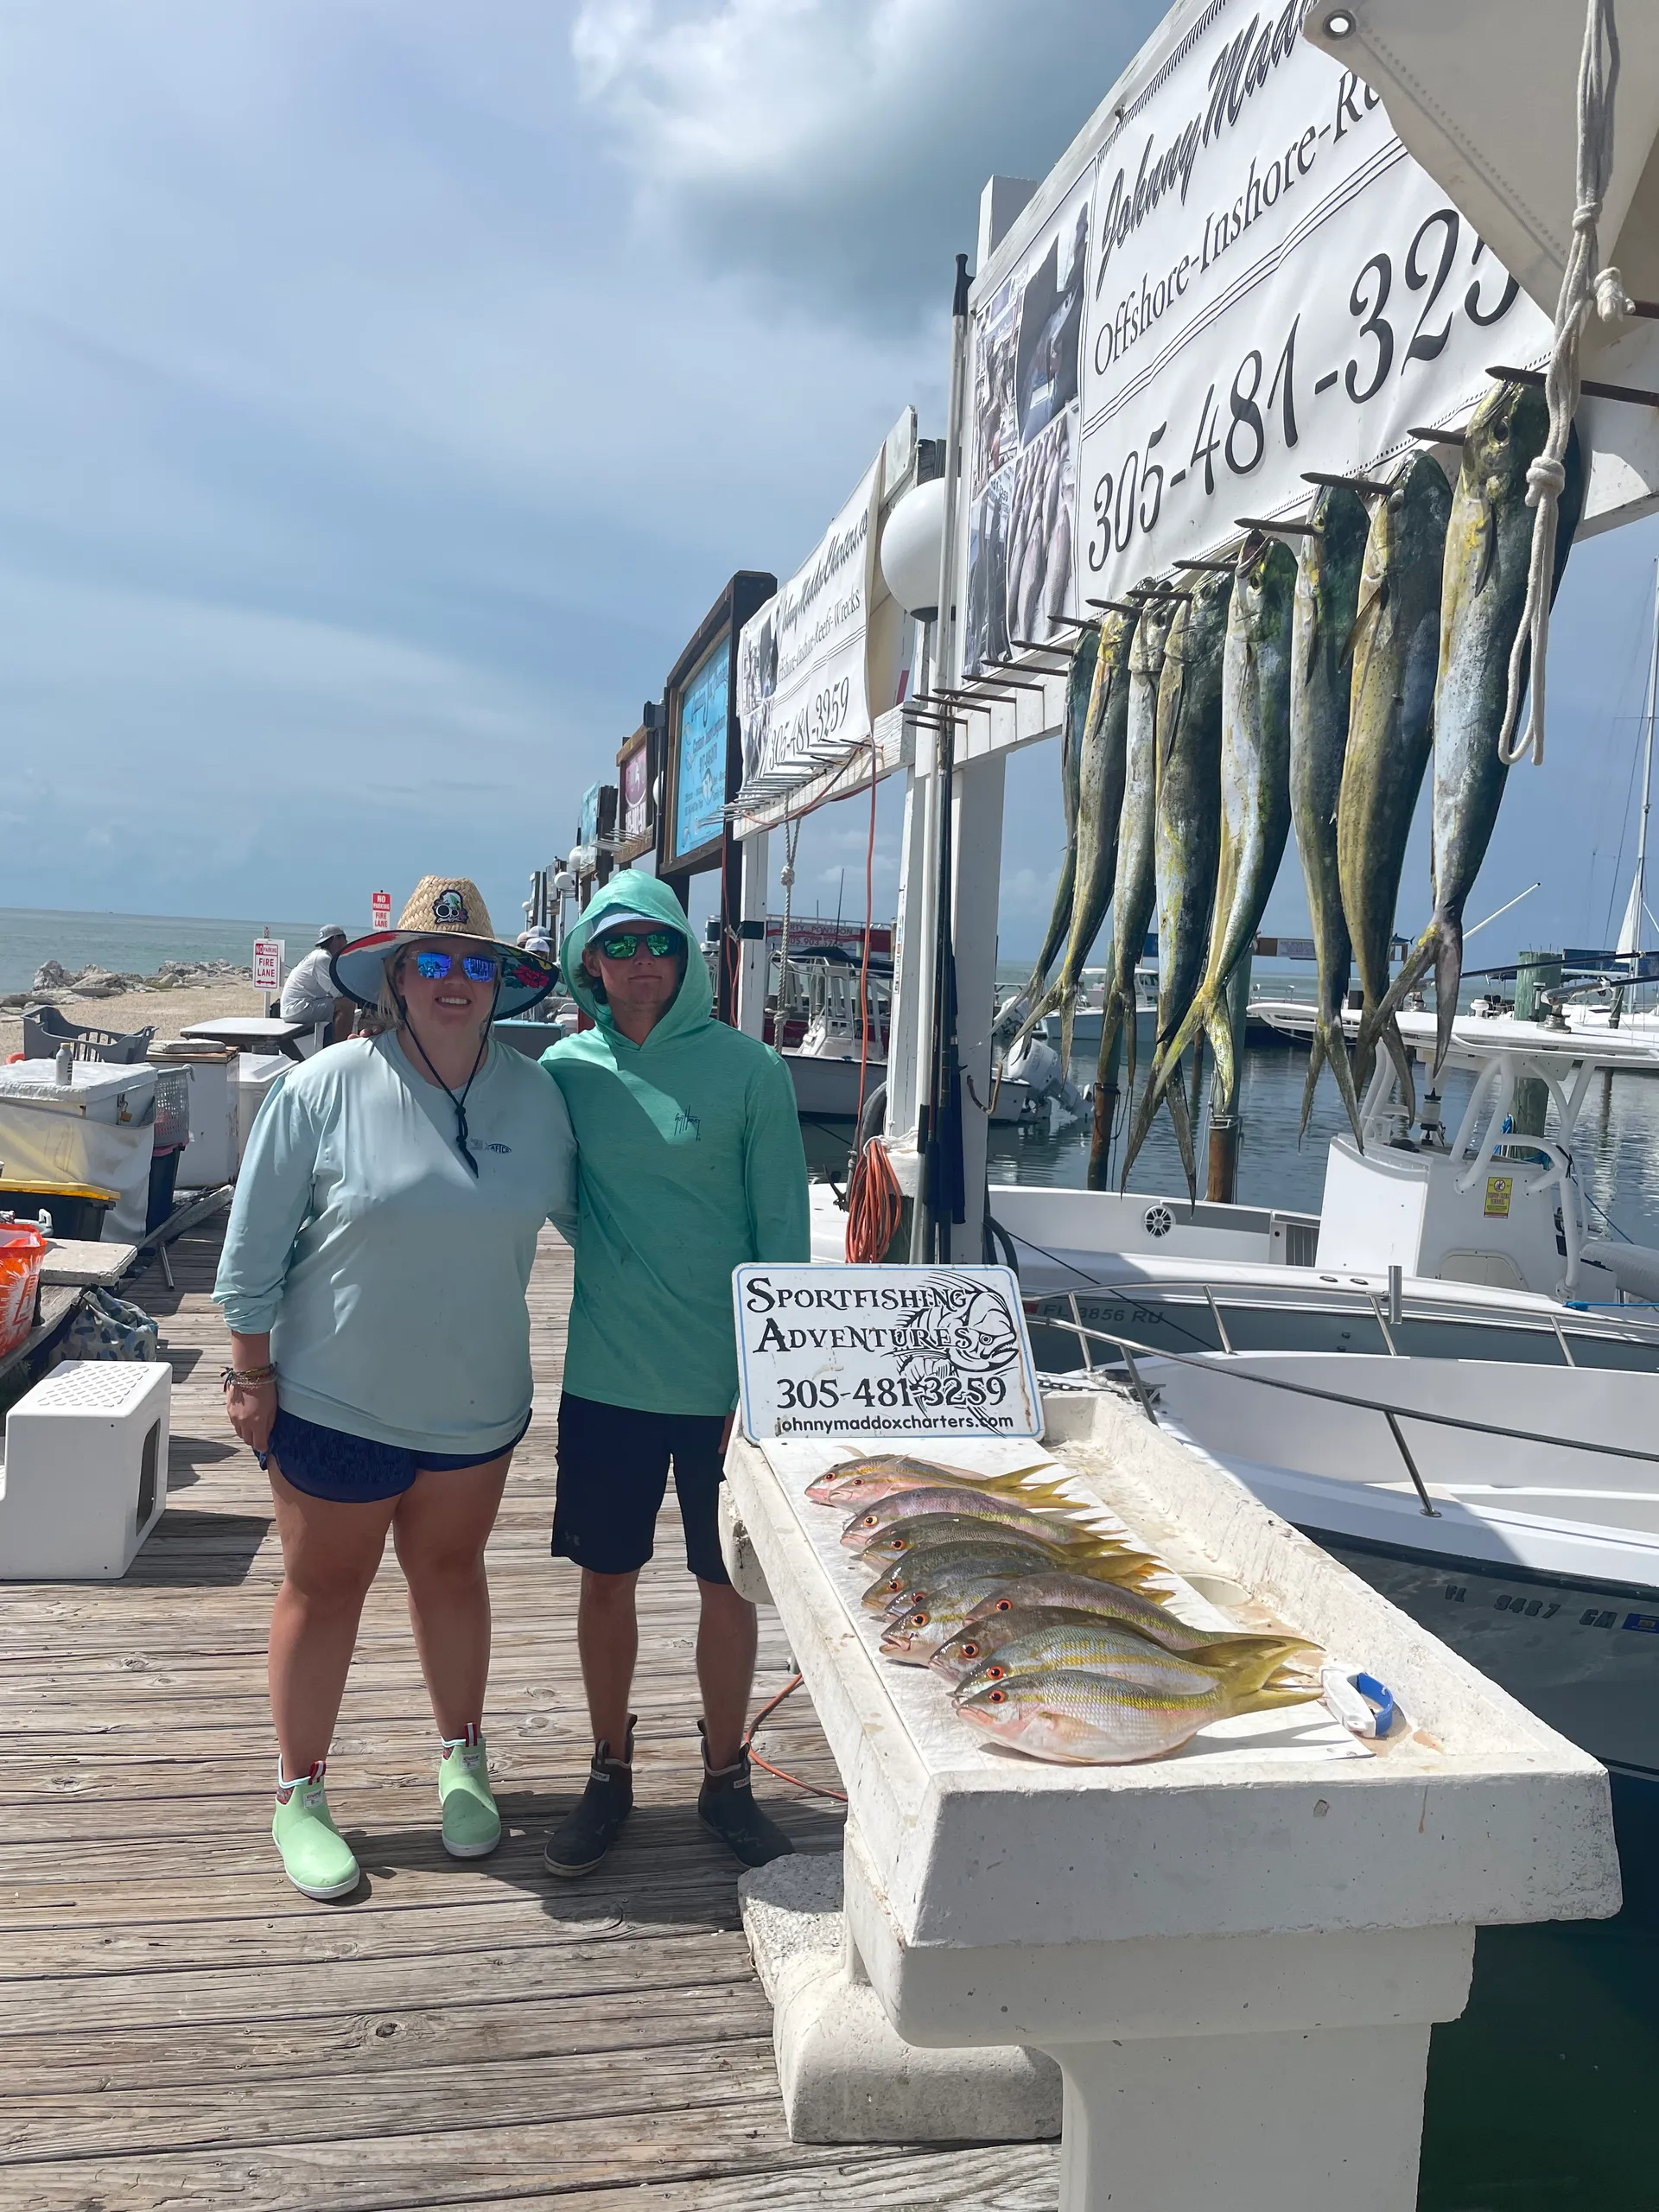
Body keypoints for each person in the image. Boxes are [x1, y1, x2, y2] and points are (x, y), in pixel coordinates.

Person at [216, 875, 574, 1901]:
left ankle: (462, 1758)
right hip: (334, 1398)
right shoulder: (323, 1083)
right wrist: (249, 1371)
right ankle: (299, 1791)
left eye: (476, 963)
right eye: (434, 961)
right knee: (324, 1592)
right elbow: (250, 1251)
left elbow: (596, 1224)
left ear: (501, 983)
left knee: (451, 1575)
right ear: (399, 977)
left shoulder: (537, 1095)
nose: (455, 980)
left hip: (478, 1402)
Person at [538, 869, 810, 1878]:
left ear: (688, 954)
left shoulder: (752, 1071)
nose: (641, 964)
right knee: (606, 1578)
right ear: (590, 962)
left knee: (724, 1581)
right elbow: (561, 1198)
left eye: (659, 942)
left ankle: (725, 1771)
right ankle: (608, 1766)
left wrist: (773, 1382)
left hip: (724, 1385)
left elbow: (783, 1232)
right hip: (607, 1373)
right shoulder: (565, 1069)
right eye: (619, 946)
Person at [280, 925, 354, 1046]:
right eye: (344, 937)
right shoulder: (322, 958)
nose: (346, 942)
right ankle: (341, 1047)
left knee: (341, 1002)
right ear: (336, 939)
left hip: (297, 1006)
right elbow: (337, 992)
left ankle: (336, 1042)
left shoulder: (321, 955)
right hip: (297, 1008)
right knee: (347, 1005)